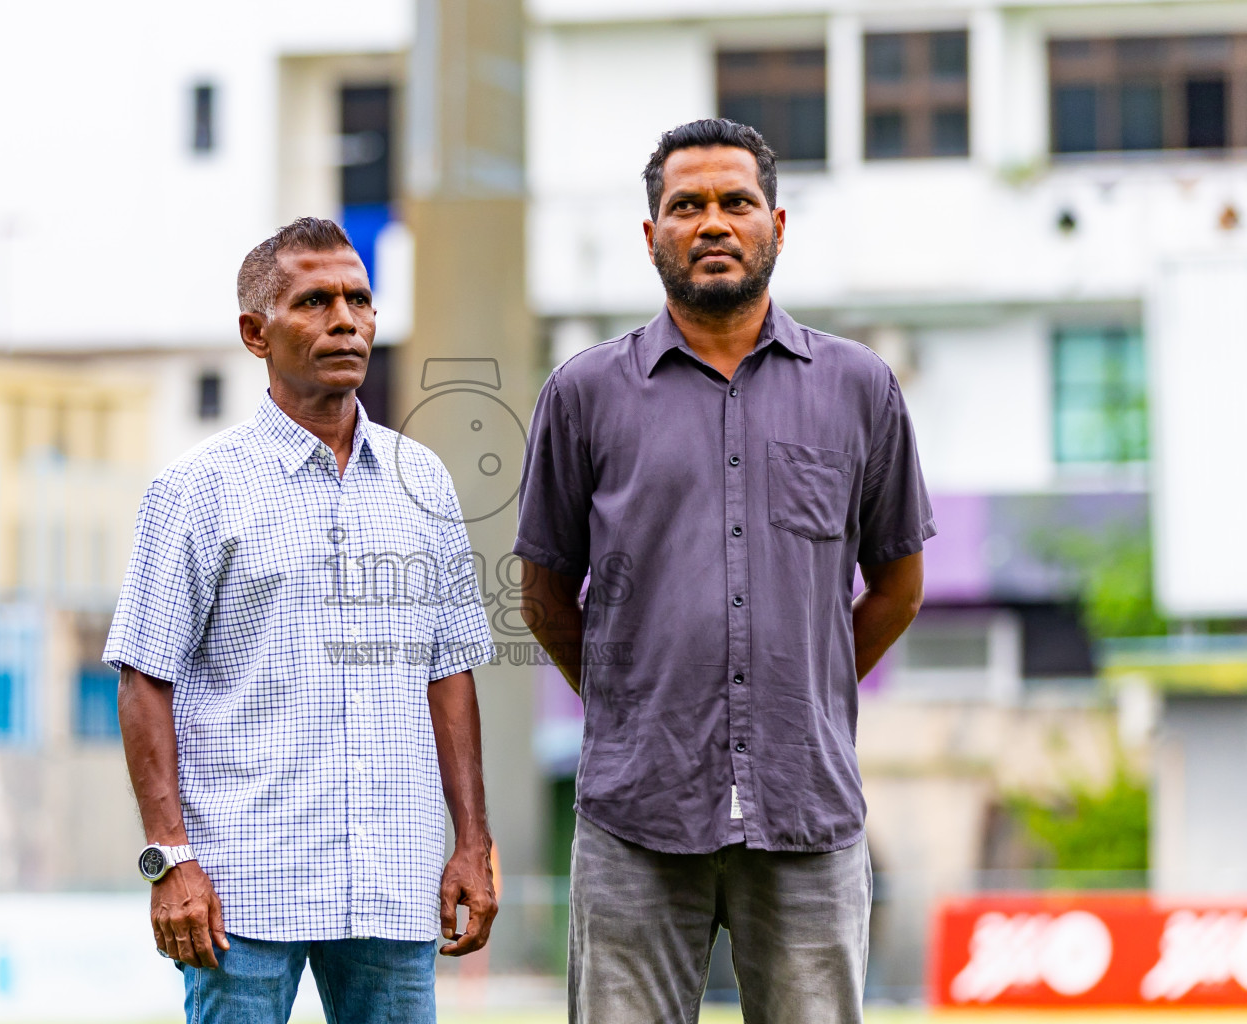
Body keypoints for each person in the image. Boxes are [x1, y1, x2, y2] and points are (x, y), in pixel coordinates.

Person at [514, 119, 935, 1024]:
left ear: (776, 226)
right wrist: (633, 705)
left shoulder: (859, 387)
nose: (713, 222)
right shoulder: (584, 393)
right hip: (635, 814)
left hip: (809, 809)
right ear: (651, 234)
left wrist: (805, 692)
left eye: (736, 202)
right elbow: (545, 595)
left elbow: (898, 586)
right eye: (686, 205)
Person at [104, 217, 498, 1024]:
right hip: (242, 890)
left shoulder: (423, 479)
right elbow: (144, 679)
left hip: (394, 878)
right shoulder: (196, 490)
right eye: (315, 302)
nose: (345, 320)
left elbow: (449, 672)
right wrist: (169, 860)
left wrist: (472, 843)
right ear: (256, 333)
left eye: (359, 299)